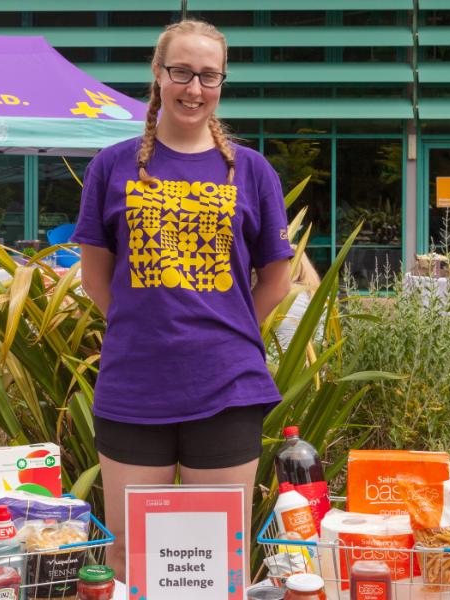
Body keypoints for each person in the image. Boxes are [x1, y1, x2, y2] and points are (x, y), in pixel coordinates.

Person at [71, 19, 294, 581]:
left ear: (221, 83)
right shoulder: (113, 166)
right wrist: (142, 326)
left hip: (227, 384)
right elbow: (95, 277)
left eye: (208, 76)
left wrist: (231, 329)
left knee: (218, 558)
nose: (194, 88)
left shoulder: (252, 170)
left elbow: (276, 279)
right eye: (181, 72)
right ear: (158, 75)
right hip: (133, 383)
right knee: (129, 555)